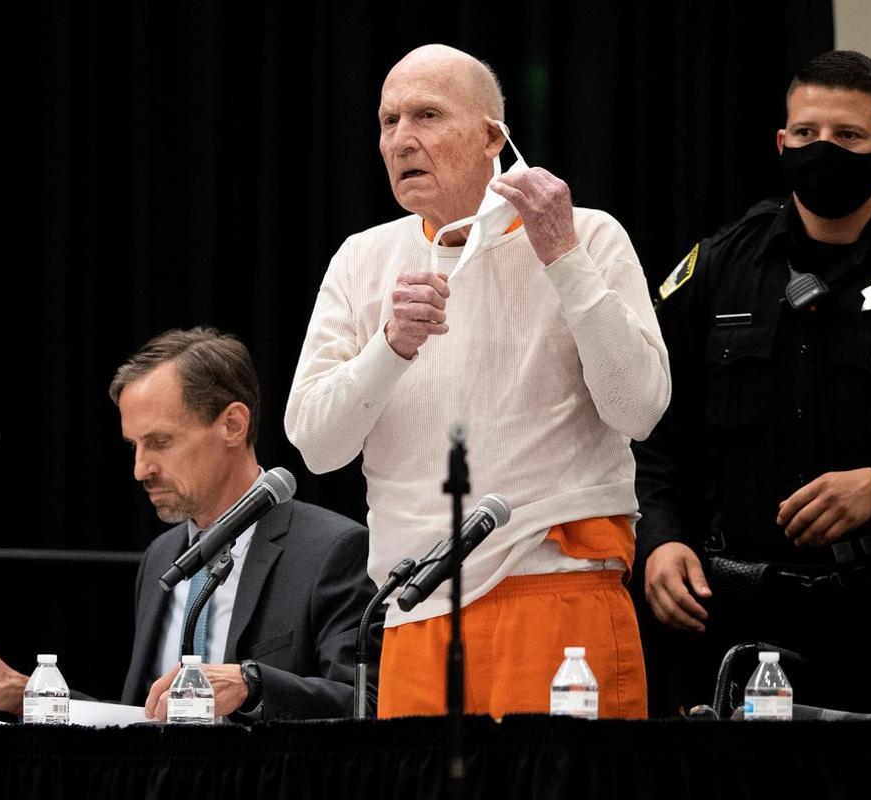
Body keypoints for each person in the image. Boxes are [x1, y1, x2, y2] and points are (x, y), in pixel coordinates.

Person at [285, 44, 670, 719]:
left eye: (427, 115)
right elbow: (315, 445)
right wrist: (389, 346)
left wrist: (562, 257)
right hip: (412, 611)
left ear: (494, 136)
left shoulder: (587, 234)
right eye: (388, 120)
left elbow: (638, 407)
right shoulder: (362, 259)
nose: (402, 138)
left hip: (555, 590)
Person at [633, 50, 871, 717]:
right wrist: (661, 536)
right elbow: (653, 428)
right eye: (806, 135)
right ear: (781, 142)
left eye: (848, 137)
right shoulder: (719, 267)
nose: (823, 150)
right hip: (732, 619)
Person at [0, 327, 378, 722]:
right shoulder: (163, 555)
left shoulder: (332, 550)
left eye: (159, 441)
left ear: (233, 425)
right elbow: (139, 717)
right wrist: (29, 693)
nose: (140, 469)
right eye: (134, 445)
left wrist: (253, 685)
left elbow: (368, 704)